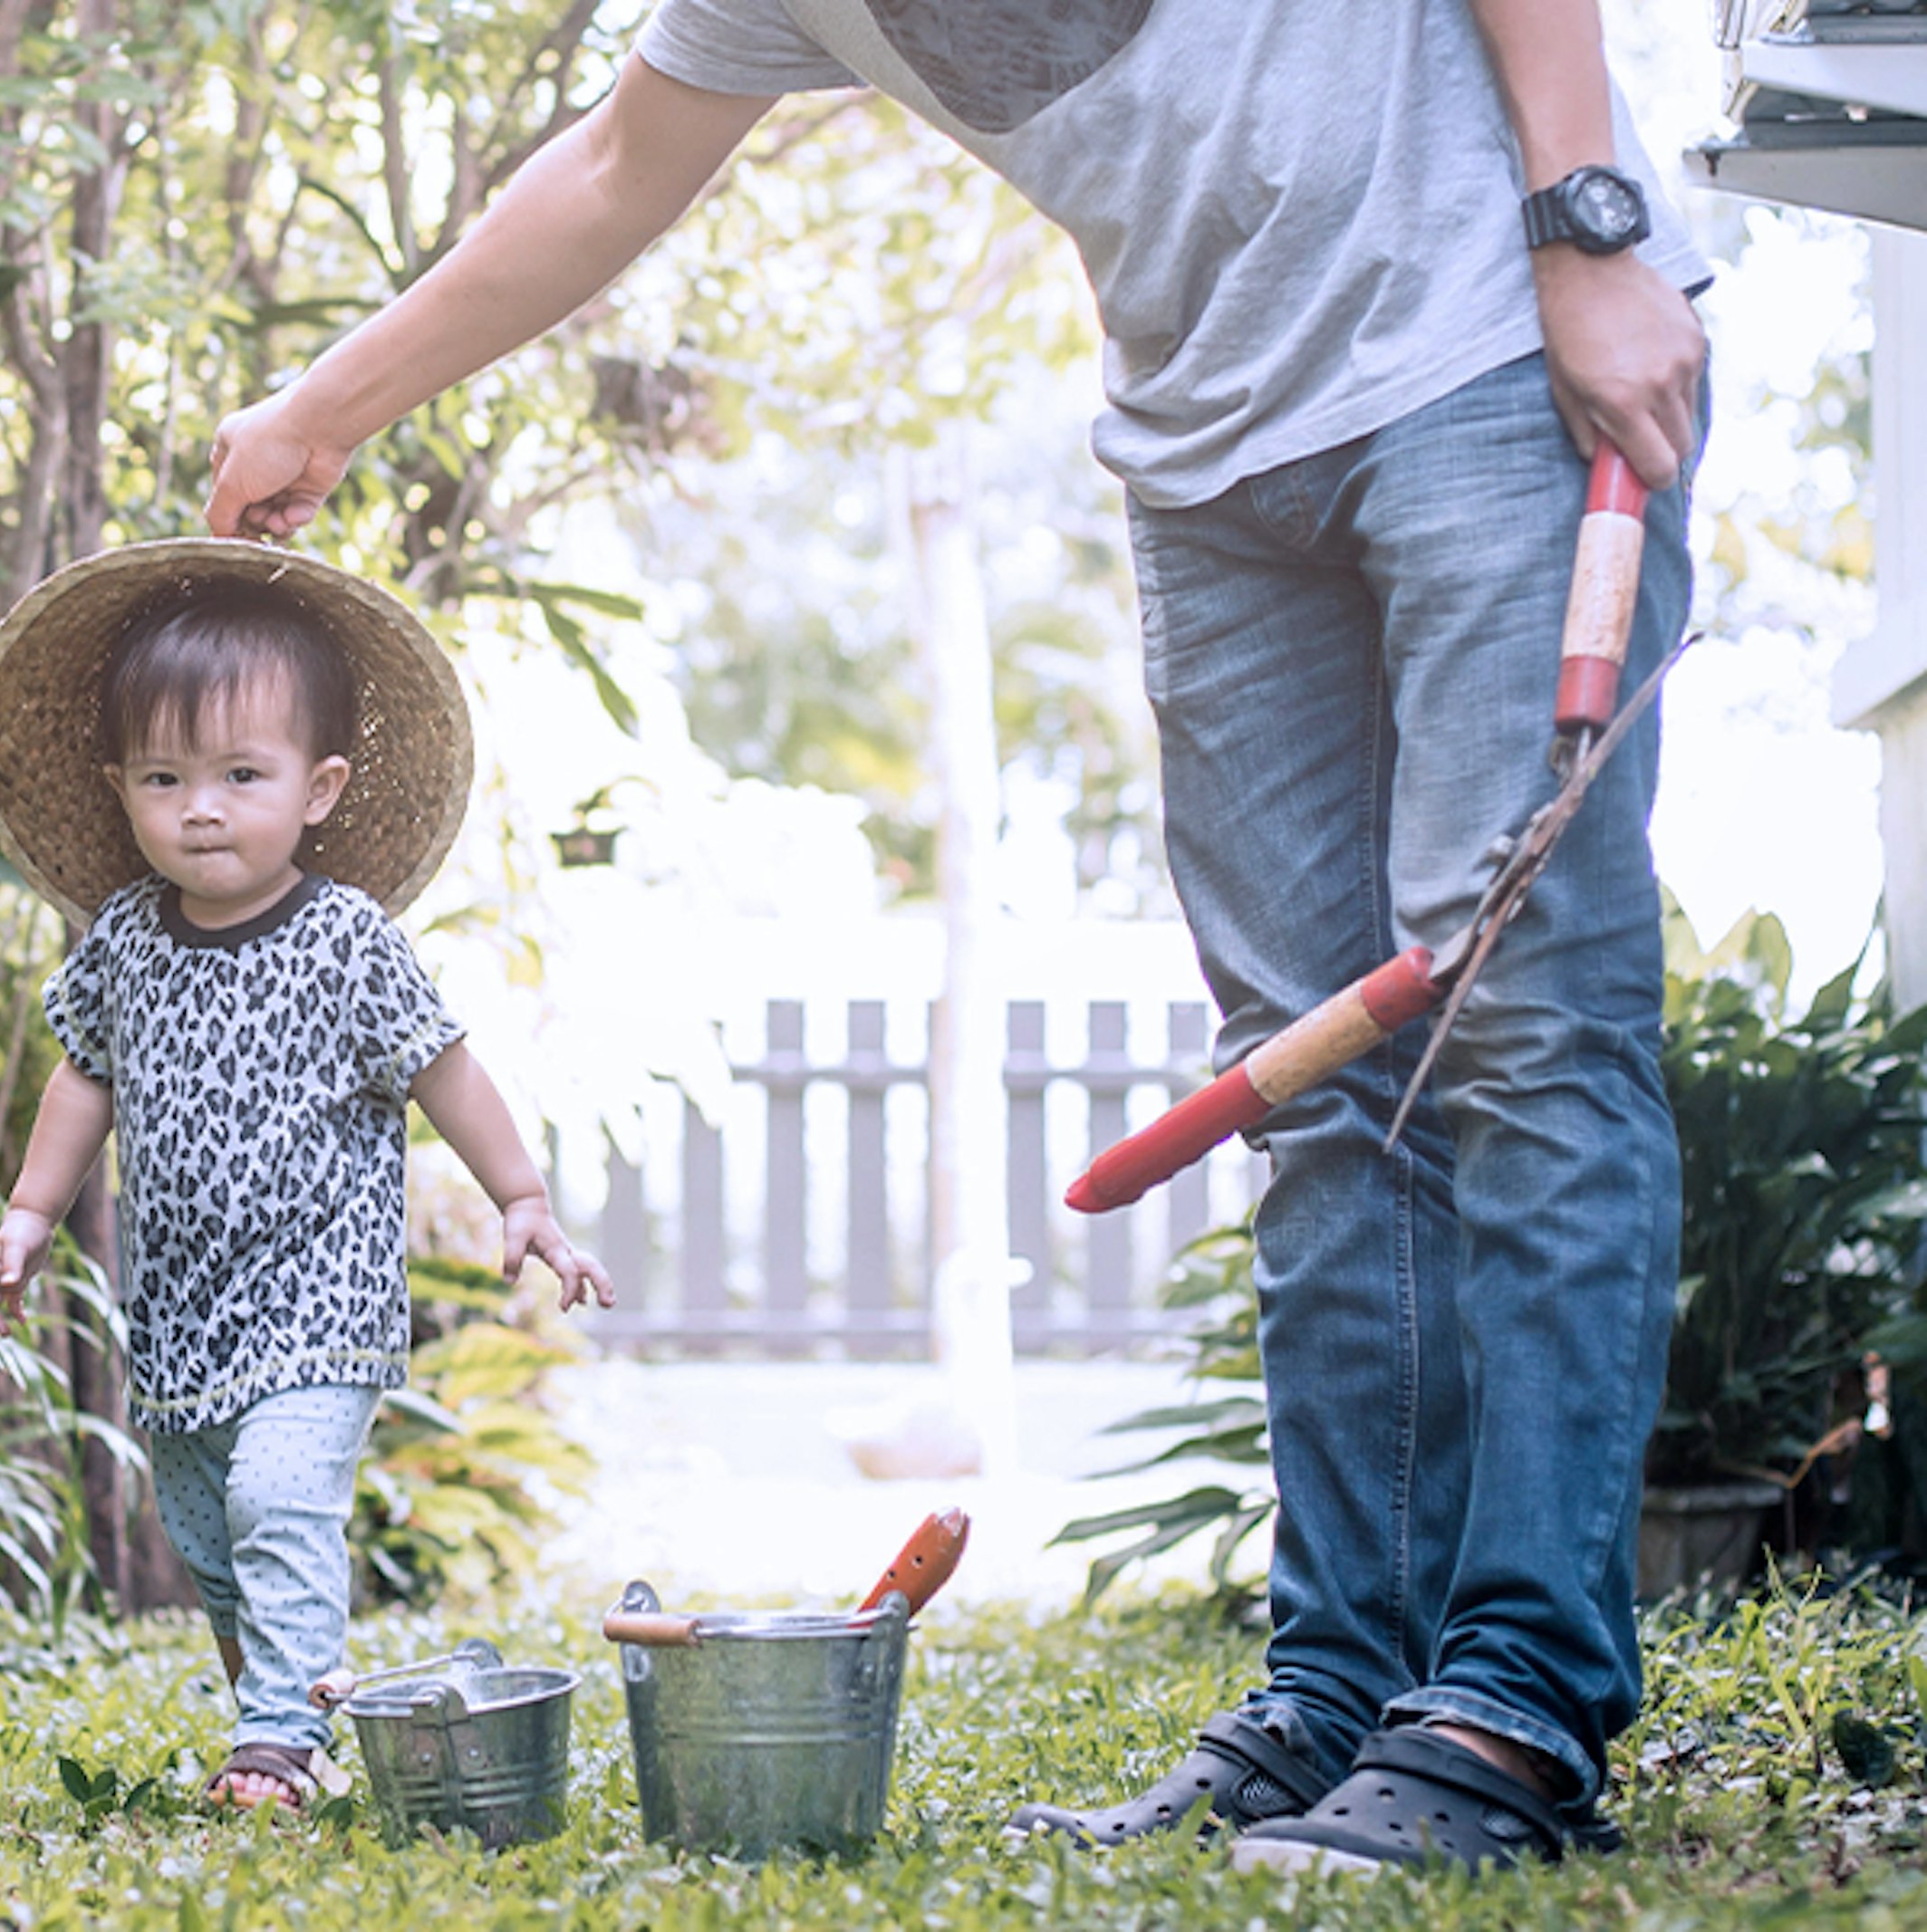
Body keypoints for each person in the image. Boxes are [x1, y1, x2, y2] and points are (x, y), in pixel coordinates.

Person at [204, 0, 1707, 1875]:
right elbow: (607, 171)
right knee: (1315, 1086)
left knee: (1524, 1036)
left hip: (1491, 346)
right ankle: (1344, 1686)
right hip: (1210, 464)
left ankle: (1515, 1703)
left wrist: (1592, 223)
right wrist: (317, 411)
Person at [0, 539, 616, 1812]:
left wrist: (520, 1195)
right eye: (165, 777)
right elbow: (81, 1076)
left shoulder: (347, 940)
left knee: (277, 1493)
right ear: (120, 788)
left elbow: (446, 1068)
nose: (201, 807)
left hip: (321, 1294)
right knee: (209, 1532)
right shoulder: (125, 941)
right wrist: (30, 1211)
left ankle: (279, 1741)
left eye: (241, 775)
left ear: (318, 788)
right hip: (183, 1306)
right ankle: (282, 1701)